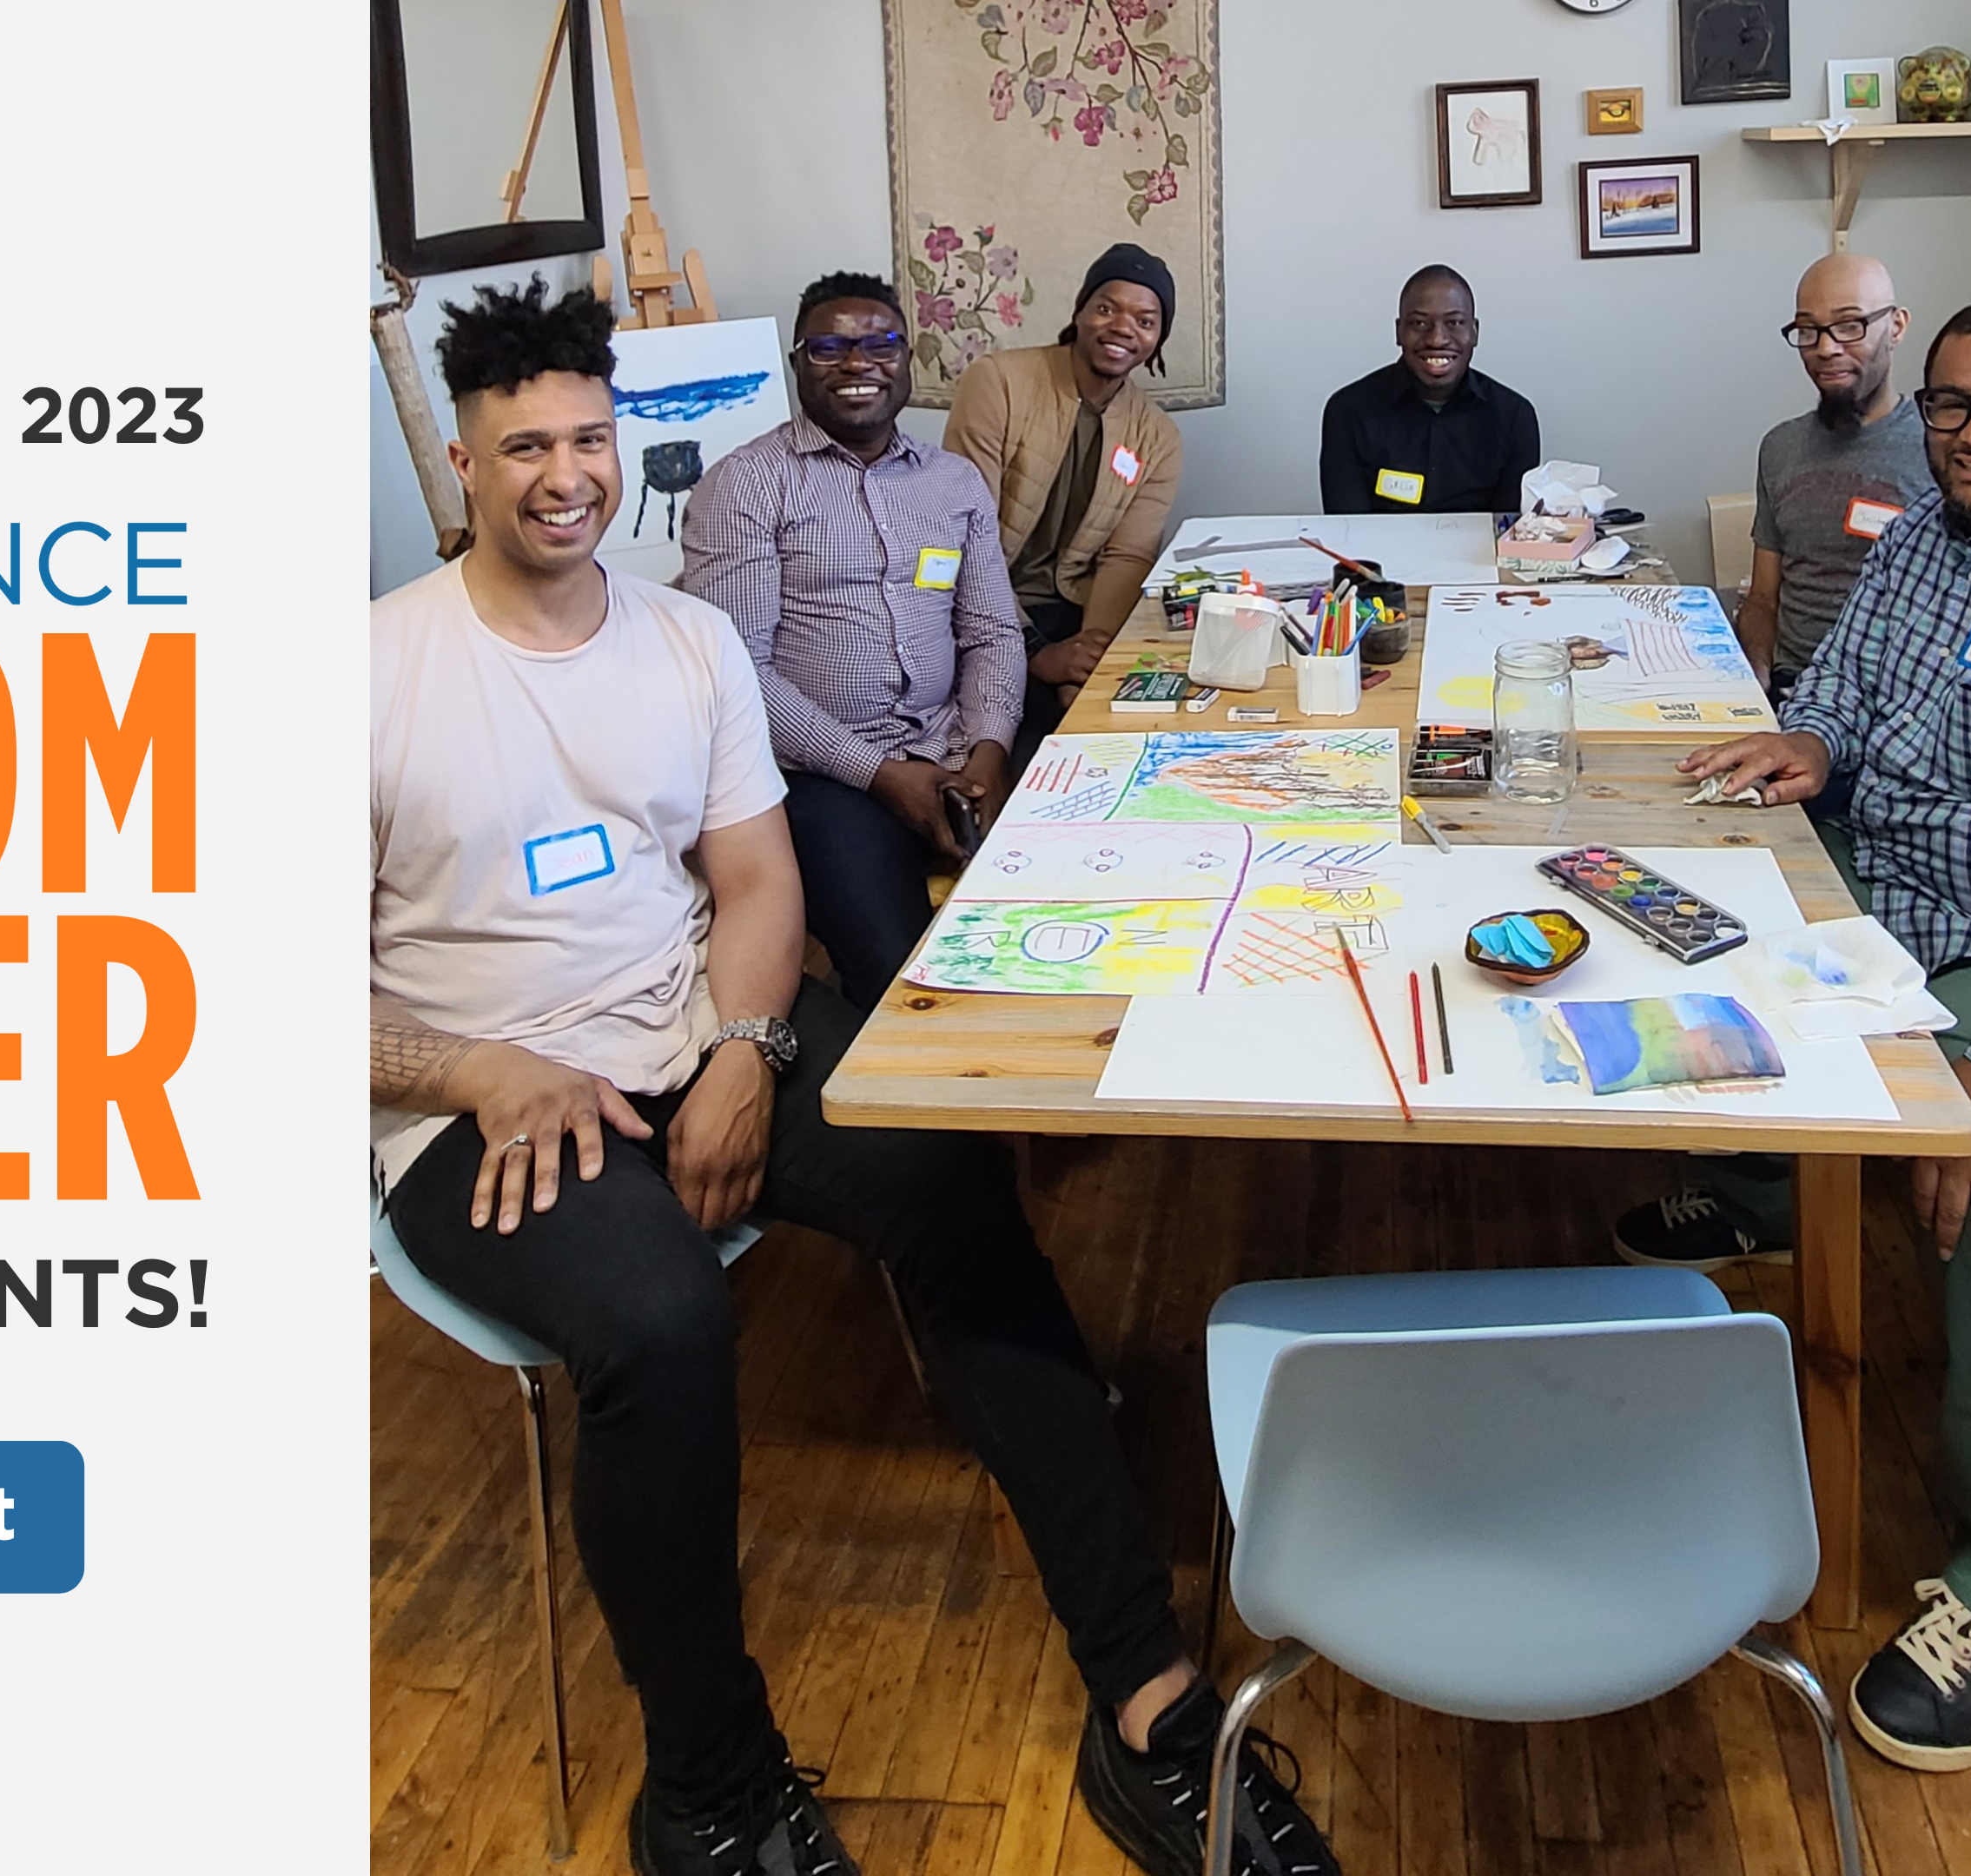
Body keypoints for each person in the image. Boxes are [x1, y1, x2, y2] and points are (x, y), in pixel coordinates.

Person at [373, 279, 1340, 1876]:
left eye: (591, 439)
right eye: (524, 445)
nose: (567, 475)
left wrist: (750, 1051)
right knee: (668, 1324)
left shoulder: (682, 641)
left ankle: (1151, 1698)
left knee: (952, 1166)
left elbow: (756, 888)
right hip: (485, 1111)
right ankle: (713, 1795)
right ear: (467, 469)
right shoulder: (371, 673)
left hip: (694, 1032)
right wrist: (477, 1066)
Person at [1617, 297, 1971, 1775]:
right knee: (1683, 902)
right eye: (1953, 405)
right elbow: (1850, 684)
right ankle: (1772, 1192)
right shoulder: (1924, 527)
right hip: (1899, 907)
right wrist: (1815, 740)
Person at [679, 272, 1022, 1008]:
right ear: (799, 362)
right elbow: (737, 673)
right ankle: (940, 1111)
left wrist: (990, 752)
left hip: (955, 746)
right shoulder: (745, 485)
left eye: (880, 345)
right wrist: (875, 773)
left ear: (907, 361)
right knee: (901, 974)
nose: (858, 363)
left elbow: (992, 633)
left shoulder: (954, 483)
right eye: (831, 347)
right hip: (819, 777)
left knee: (1064, 902)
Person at [943, 241, 1187, 750]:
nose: (1123, 328)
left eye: (1145, 320)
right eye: (1106, 308)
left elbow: (1127, 556)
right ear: (1079, 312)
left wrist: (1088, 663)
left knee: (1129, 727)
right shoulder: (999, 382)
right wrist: (1036, 653)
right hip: (973, 606)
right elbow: (966, 534)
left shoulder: (1156, 436)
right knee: (1018, 744)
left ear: (1159, 338)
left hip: (1071, 611)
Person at [1736, 253, 1934, 695]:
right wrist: (1755, 678)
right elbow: (1764, 598)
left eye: (1850, 326)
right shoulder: (1780, 448)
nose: (1826, 348)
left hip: (1896, 698)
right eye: (1809, 331)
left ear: (1897, 327)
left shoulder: (1942, 452)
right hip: (1792, 689)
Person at [1317, 265, 1539, 516]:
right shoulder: (1348, 413)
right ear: (1399, 331)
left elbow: (1511, 534)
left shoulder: (1514, 418)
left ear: (1474, 332)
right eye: (1420, 323)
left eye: (1454, 322)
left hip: (1480, 555)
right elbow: (1348, 530)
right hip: (1376, 555)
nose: (1437, 339)